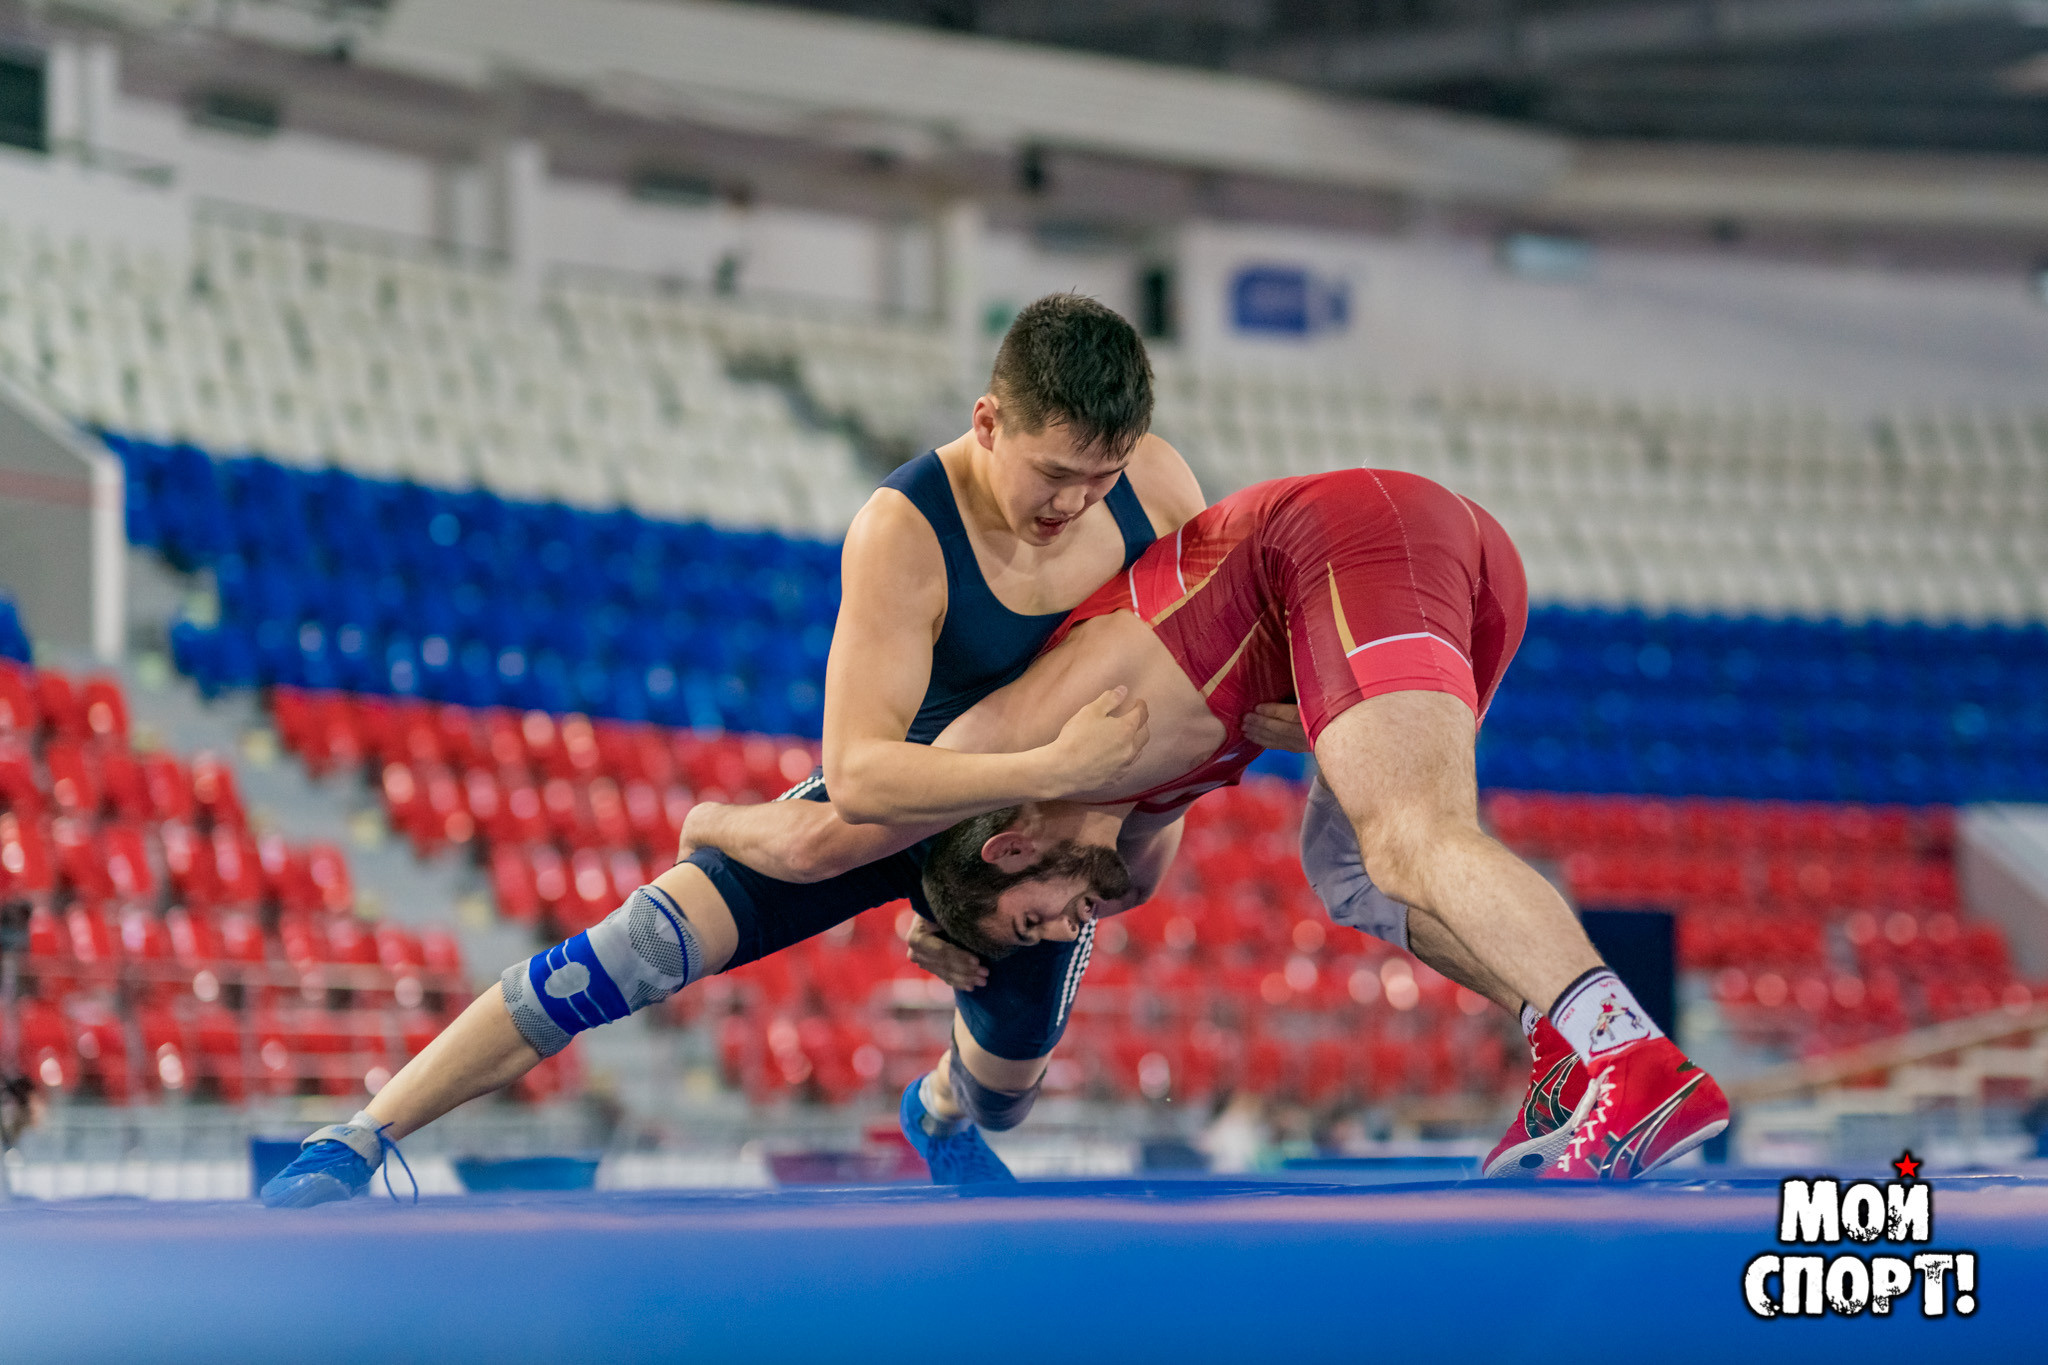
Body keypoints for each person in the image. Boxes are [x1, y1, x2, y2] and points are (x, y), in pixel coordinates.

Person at [261, 294, 1300, 1204]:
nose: (1074, 504)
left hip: (1042, 821)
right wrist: (1048, 771)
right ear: (987, 423)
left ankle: (937, 1106)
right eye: (1055, 474)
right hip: (912, 791)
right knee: (641, 944)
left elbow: (1202, 661)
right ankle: (359, 1136)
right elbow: (858, 777)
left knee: (1007, 1093)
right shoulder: (903, 529)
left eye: (1098, 476)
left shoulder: (1155, 488)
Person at [694, 465, 1730, 1180]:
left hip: (1353, 540)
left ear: (1009, 845)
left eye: (1031, 920)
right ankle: (1561, 1042)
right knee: (1351, 872)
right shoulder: (1127, 845)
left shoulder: (1006, 748)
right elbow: (1220, 694)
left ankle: (1628, 1059)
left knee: (1408, 834)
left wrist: (704, 821)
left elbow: (807, 839)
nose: (1062, 933)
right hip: (1435, 559)